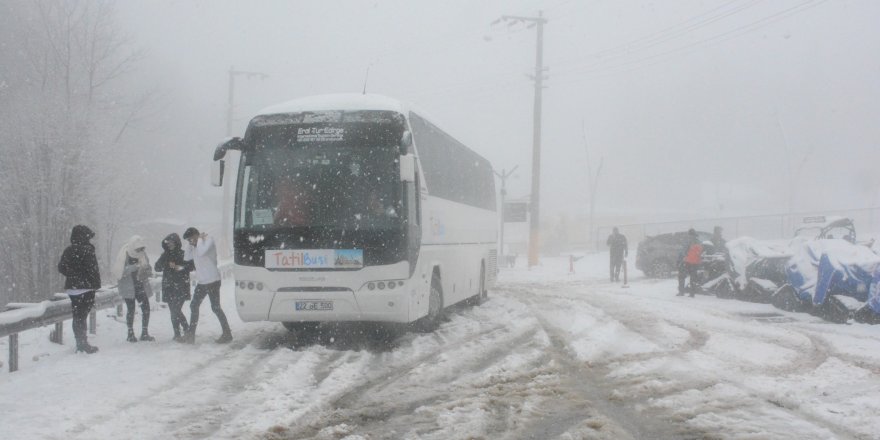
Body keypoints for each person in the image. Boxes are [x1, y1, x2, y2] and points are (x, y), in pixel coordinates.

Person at [182, 227, 232, 344]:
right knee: (194, 306)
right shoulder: (194, 246)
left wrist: (199, 240)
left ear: (196, 235)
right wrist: (190, 244)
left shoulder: (208, 240)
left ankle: (227, 333)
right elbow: (186, 257)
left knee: (215, 308)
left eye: (191, 239)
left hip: (213, 281)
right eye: (188, 241)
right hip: (202, 282)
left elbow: (201, 252)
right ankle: (191, 335)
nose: (190, 242)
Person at [57, 225, 102, 354]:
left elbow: (61, 267)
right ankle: (83, 344)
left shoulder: (69, 250)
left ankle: (80, 342)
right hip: (86, 288)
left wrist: (72, 274)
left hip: (72, 289)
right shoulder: (88, 250)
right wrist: (95, 284)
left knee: (77, 316)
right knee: (82, 316)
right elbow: (93, 270)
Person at [114, 235, 155, 342]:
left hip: (141, 284)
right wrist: (134, 267)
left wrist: (147, 269)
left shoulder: (142, 254)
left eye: (141, 249)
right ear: (132, 247)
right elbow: (119, 271)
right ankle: (130, 333)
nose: (140, 251)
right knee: (131, 309)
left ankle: (145, 332)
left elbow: (148, 266)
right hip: (128, 285)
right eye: (138, 249)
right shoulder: (124, 254)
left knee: (146, 308)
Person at [154, 233, 194, 342]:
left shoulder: (183, 254)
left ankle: (186, 329)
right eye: (168, 243)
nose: (170, 245)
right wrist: (166, 264)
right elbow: (157, 267)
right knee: (173, 310)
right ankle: (177, 333)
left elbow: (191, 267)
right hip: (169, 286)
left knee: (176, 310)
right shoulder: (165, 255)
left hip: (181, 286)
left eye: (172, 243)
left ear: (177, 243)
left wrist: (178, 267)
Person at [677, 229, 703, 298]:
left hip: (687, 261)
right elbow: (700, 252)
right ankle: (692, 293)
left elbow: (683, 251)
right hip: (695, 262)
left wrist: (680, 259)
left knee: (681, 276)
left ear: (689, 234)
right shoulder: (699, 241)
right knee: (693, 277)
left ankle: (681, 291)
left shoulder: (687, 240)